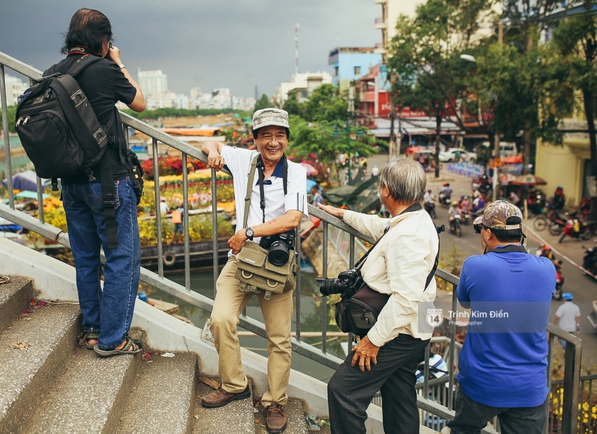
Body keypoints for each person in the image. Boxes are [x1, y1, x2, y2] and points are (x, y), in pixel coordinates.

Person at [200, 108, 308, 434]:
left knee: (279, 338)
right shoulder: (244, 160)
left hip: (275, 264)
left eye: (280, 135)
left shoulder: (297, 172)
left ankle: (276, 401)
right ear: (256, 139)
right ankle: (234, 385)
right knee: (221, 318)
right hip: (242, 260)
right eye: (266, 135)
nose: (273, 142)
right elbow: (210, 142)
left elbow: (292, 219)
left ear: (287, 139)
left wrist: (249, 231)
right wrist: (215, 155)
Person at [318, 158, 439, 434]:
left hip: (399, 330)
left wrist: (372, 341)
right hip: (414, 326)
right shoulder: (412, 219)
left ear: (385, 189)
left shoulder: (409, 236)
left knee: (343, 390)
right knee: (399, 396)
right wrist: (343, 214)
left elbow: (405, 300)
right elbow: (382, 228)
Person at [54, 9, 146, 357]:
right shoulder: (105, 69)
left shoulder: (54, 72)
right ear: (104, 40)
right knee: (123, 257)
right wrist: (119, 62)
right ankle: (112, 340)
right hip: (108, 183)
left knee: (87, 258)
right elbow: (139, 102)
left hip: (71, 184)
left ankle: (93, 330)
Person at [445, 201, 555, 434]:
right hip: (529, 387)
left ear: (487, 232)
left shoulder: (475, 265)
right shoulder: (547, 268)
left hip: (482, 383)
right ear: (521, 234)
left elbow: (465, 300)